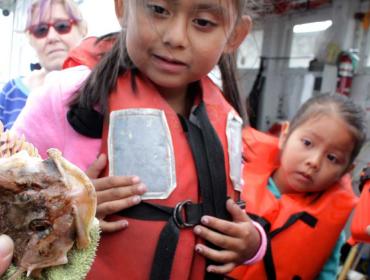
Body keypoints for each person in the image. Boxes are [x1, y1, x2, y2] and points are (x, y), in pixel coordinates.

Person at [12, 0, 267, 279]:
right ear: (122, 7)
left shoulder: (224, 118)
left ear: (235, 35)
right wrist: (64, 209)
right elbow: (8, 201)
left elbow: (238, 210)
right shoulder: (65, 96)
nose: (175, 37)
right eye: (158, 9)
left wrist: (253, 244)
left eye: (203, 22)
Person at [229, 93, 366, 279]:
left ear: (346, 171)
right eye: (308, 143)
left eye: (332, 158)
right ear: (284, 135)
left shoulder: (329, 232)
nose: (314, 162)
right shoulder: (233, 179)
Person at [0, 0, 87, 130]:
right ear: (29, 38)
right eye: (40, 30)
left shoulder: (100, 86)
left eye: (62, 26)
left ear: (82, 29)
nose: (52, 37)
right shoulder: (10, 92)